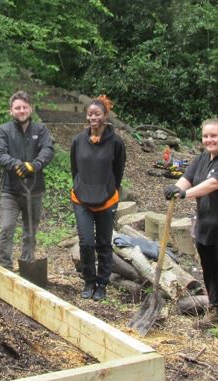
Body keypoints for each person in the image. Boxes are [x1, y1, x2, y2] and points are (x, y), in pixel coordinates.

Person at [163, 118, 218, 343]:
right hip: (207, 226)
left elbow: (213, 184)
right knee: (211, 271)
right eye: (205, 136)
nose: (209, 140)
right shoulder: (201, 159)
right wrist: (176, 188)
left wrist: (185, 194)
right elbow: (187, 178)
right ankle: (216, 311)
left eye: (214, 136)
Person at [71, 95, 126, 302]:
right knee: (86, 243)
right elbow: (75, 169)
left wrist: (110, 189)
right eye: (90, 113)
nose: (93, 117)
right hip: (81, 198)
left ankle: (102, 284)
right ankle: (88, 280)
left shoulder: (116, 142)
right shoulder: (78, 140)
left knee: (104, 243)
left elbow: (118, 170)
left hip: (107, 200)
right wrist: (79, 186)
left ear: (105, 116)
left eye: (97, 114)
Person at [0, 91, 55, 270]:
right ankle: (5, 267)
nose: (21, 110)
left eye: (24, 107)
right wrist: (16, 165)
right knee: (7, 228)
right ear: (11, 111)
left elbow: (48, 150)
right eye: (17, 108)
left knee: (30, 232)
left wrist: (35, 165)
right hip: (10, 190)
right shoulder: (4, 130)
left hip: (34, 189)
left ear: (31, 109)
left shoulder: (40, 130)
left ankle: (27, 265)